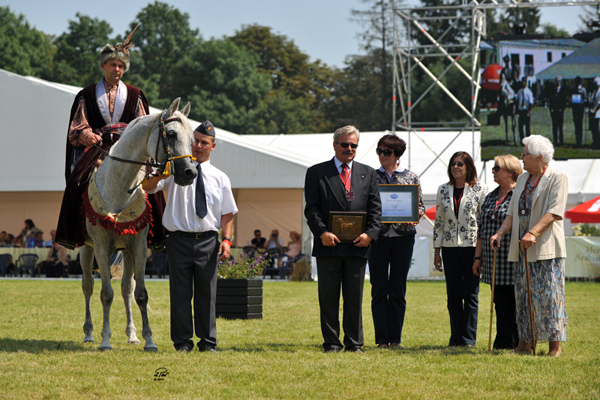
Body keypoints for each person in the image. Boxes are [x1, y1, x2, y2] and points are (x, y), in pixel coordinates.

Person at [56, 27, 166, 250]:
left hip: (129, 148)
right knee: (76, 182)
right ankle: (75, 233)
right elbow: (77, 126)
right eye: (113, 65)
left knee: (153, 189)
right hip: (98, 148)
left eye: (121, 66)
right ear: (103, 66)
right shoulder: (86, 94)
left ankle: (159, 236)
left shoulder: (136, 94)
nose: (117, 69)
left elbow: (143, 124)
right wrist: (89, 135)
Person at [143, 120, 238, 353]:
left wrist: (226, 240)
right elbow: (148, 186)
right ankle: (182, 342)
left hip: (207, 241)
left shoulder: (220, 177)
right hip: (178, 240)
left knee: (208, 294)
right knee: (180, 294)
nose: (197, 145)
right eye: (195, 141)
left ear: (212, 146)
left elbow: (228, 213)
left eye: (203, 142)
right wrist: (160, 172)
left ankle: (207, 342)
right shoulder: (175, 168)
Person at [304, 125, 382, 353]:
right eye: (345, 144)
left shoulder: (368, 174)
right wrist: (322, 233)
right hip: (329, 246)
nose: (349, 149)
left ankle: (354, 343)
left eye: (353, 145)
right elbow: (311, 209)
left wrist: (370, 234)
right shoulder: (317, 172)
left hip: (358, 247)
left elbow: (376, 210)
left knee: (354, 298)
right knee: (328, 298)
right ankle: (331, 342)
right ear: (335, 145)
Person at [490, 135, 568, 357]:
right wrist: (500, 232)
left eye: (525, 154)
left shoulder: (557, 178)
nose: (521, 158)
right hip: (522, 249)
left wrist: (533, 232)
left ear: (539, 157)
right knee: (523, 297)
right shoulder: (523, 179)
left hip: (546, 249)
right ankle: (524, 343)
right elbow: (512, 212)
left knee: (550, 297)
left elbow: (554, 211)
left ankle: (555, 347)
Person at [369, 134, 424, 349]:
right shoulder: (371, 176)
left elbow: (419, 206)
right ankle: (382, 339)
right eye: (380, 151)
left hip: (403, 238)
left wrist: (414, 216)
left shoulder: (411, 176)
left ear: (397, 154)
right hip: (378, 239)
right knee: (379, 289)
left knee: (398, 289)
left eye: (387, 152)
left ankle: (396, 339)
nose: (382, 155)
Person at [433, 151, 488, 347]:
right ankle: (455, 337)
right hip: (449, 247)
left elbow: (483, 222)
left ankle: (468, 339)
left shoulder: (480, 189)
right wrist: (436, 250)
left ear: (468, 168)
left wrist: (480, 255)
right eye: (453, 164)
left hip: (472, 247)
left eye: (460, 164)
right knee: (453, 295)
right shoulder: (442, 189)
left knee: (471, 295)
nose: (455, 167)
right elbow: (439, 221)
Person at [472, 155, 522, 349]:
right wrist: (478, 257)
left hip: (514, 258)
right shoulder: (490, 196)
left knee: (516, 303)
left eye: (497, 168)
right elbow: (482, 230)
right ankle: (502, 342)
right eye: (493, 168)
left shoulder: (519, 195)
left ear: (511, 171)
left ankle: (517, 342)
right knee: (500, 303)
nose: (493, 171)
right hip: (493, 261)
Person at [548, 76, 567, 146]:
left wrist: (562, 109)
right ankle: (555, 141)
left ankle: (561, 141)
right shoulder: (552, 90)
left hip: (560, 111)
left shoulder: (563, 90)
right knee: (554, 127)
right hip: (554, 111)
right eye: (556, 81)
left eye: (559, 81)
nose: (557, 82)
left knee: (560, 127)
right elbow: (550, 100)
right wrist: (551, 109)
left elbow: (564, 101)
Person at [515, 78, 535, 142]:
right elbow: (517, 99)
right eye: (522, 82)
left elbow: (531, 103)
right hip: (521, 111)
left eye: (524, 82)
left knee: (527, 127)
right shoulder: (519, 92)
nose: (523, 83)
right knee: (520, 127)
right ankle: (522, 140)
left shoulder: (529, 92)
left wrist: (529, 111)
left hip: (526, 111)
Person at [570, 76, 587, 147]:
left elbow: (585, 98)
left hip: (580, 109)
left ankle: (580, 141)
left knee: (580, 125)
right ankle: (577, 139)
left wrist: (582, 102)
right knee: (576, 125)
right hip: (575, 109)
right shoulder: (573, 89)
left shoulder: (582, 90)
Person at [590, 76, 600, 149]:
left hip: (598, 112)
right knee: (594, 128)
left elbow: (599, 102)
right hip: (593, 112)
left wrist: (594, 109)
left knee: (597, 128)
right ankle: (595, 141)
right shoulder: (594, 91)